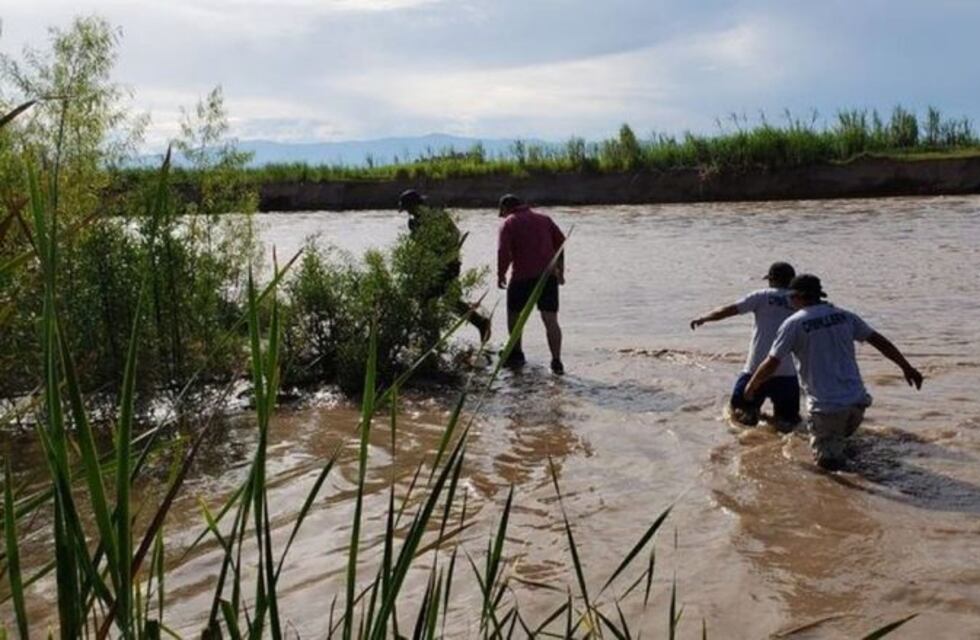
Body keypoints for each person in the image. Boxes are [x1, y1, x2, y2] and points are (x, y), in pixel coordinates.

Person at [745, 274, 924, 470]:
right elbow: (879, 341)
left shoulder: (794, 323)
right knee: (841, 446)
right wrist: (906, 367)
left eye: (791, 297)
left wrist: (752, 385)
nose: (789, 301)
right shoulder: (845, 315)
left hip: (826, 407)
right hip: (857, 403)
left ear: (798, 296)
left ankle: (853, 494)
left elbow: (772, 362)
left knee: (828, 467)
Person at [690, 262, 801, 430]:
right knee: (789, 425)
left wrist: (704, 318)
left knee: (739, 418)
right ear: (792, 280)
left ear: (770, 280)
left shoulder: (761, 296)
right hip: (787, 373)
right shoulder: (801, 300)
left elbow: (728, 310)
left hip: (755, 370)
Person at [397, 189, 491, 342]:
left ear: (414, 206)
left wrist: (444, 253)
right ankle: (479, 323)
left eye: (408, 209)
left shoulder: (434, 216)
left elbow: (454, 234)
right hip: (437, 266)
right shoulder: (419, 220)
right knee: (447, 301)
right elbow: (423, 245)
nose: (408, 212)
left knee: (428, 303)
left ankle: (433, 342)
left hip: (445, 265)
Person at [496, 194, 566, 374]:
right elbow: (561, 243)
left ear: (505, 208)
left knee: (514, 315)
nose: (501, 216)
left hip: (522, 277)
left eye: (501, 212)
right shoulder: (544, 219)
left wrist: (501, 274)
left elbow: (503, 251)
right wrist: (561, 271)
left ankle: (516, 353)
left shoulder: (509, 223)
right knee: (550, 319)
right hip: (547, 277)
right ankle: (556, 360)